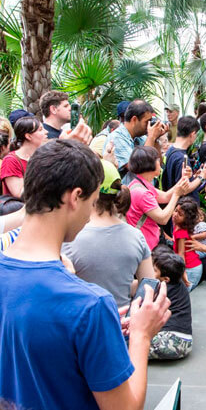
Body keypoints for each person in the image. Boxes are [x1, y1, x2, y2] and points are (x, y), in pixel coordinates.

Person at [0, 139, 172, 409]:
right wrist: (141, 335)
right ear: (75, 197)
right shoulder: (90, 304)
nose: (90, 216)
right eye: (92, 203)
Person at [62, 160, 154, 308]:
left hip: (84, 326)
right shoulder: (136, 236)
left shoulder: (69, 238)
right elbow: (149, 288)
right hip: (122, 325)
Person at [126, 146, 190, 250]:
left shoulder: (138, 183)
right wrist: (177, 195)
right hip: (147, 246)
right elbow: (163, 218)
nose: (159, 163)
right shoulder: (142, 193)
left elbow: (165, 197)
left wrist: (182, 178)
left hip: (145, 242)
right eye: (157, 160)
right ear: (149, 164)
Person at [104, 99, 168, 182]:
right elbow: (139, 166)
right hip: (130, 193)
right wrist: (151, 137)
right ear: (134, 120)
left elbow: (158, 163)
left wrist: (155, 138)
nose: (149, 125)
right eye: (147, 122)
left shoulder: (141, 138)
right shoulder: (117, 138)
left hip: (144, 191)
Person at [150, 246, 192, 360]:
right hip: (185, 340)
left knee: (129, 346)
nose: (150, 271)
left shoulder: (162, 289)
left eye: (154, 270)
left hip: (168, 341)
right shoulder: (179, 285)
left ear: (166, 279)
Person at [161, 116, 206, 207]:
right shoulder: (181, 158)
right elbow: (184, 189)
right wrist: (202, 176)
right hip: (184, 208)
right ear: (192, 134)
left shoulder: (171, 150)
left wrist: (194, 177)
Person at [0, 116, 47, 197]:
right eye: (40, 129)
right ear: (28, 136)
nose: (46, 132)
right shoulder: (11, 161)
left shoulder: (44, 156)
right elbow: (19, 194)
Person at [172, 197, 203, 291]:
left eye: (180, 214)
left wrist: (182, 272)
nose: (175, 215)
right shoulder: (177, 225)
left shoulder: (181, 232)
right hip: (189, 266)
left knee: (184, 291)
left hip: (190, 269)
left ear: (187, 219)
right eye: (175, 211)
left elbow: (181, 253)